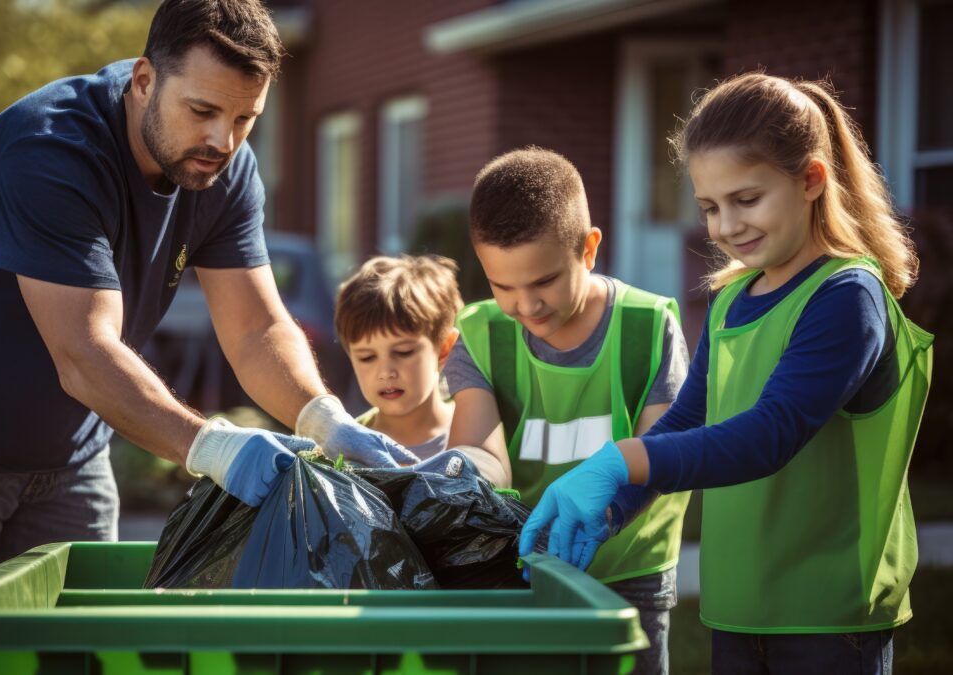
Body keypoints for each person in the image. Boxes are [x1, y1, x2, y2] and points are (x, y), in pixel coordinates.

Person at [0, 0, 416, 593]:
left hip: (70, 458)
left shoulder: (223, 170)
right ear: (144, 80)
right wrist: (212, 447)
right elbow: (84, 353)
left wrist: (323, 418)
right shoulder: (53, 151)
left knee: (71, 649)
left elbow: (256, 328)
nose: (222, 139)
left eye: (244, 118)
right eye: (202, 110)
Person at [519, 74, 933, 674]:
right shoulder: (731, 300)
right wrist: (616, 504)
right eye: (711, 207)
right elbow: (691, 418)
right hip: (738, 607)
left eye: (747, 199)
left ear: (812, 180)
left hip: (831, 618)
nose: (727, 227)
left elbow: (770, 434)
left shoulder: (847, 294)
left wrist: (621, 459)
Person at [443, 147, 691, 674]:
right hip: (525, 567)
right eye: (502, 286)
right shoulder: (481, 334)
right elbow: (479, 453)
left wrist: (606, 514)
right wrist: (445, 479)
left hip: (631, 574)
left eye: (544, 281)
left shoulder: (648, 327)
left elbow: (665, 450)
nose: (526, 306)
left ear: (589, 248)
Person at [334, 255, 464, 459]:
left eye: (404, 352)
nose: (386, 373)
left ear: (445, 347)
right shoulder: (344, 448)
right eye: (367, 357)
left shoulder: (478, 432)